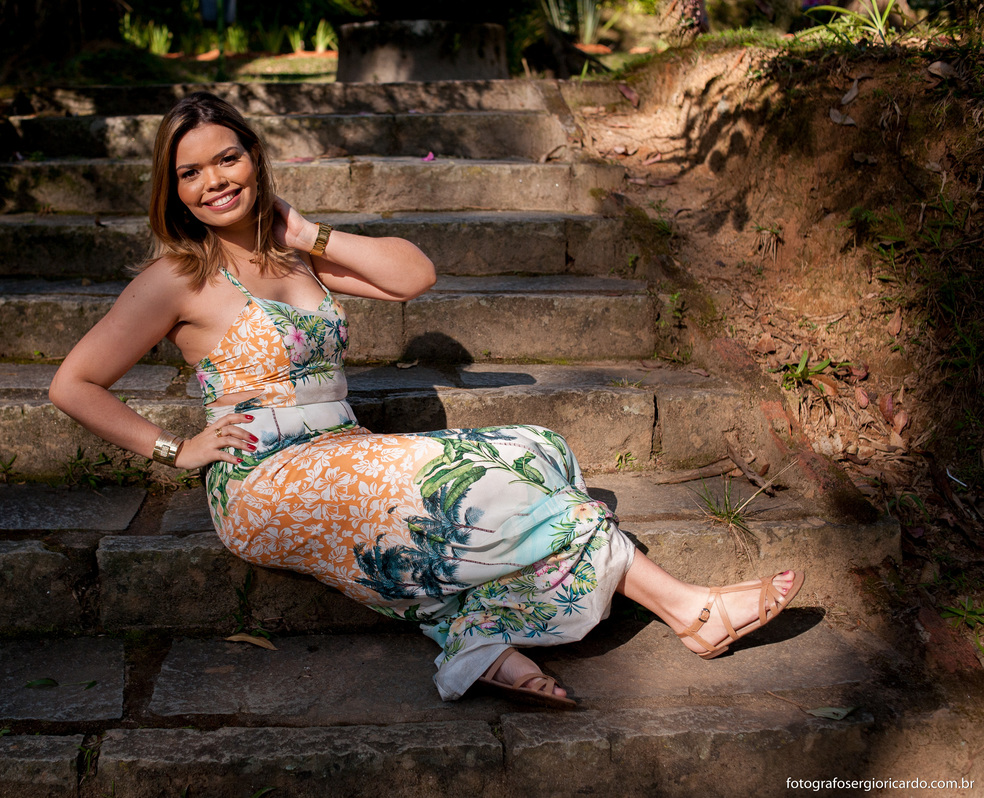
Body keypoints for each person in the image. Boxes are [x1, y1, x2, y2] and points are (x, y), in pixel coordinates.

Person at [49, 92, 805, 708]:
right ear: (171, 189)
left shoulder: (292, 252)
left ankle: (478, 641)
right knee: (480, 494)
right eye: (190, 172)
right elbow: (72, 384)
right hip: (267, 480)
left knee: (532, 449)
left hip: (341, 450)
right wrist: (177, 450)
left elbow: (413, 277)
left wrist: (309, 231)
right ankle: (691, 611)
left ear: (254, 159)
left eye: (227, 157)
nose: (214, 180)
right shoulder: (176, 277)